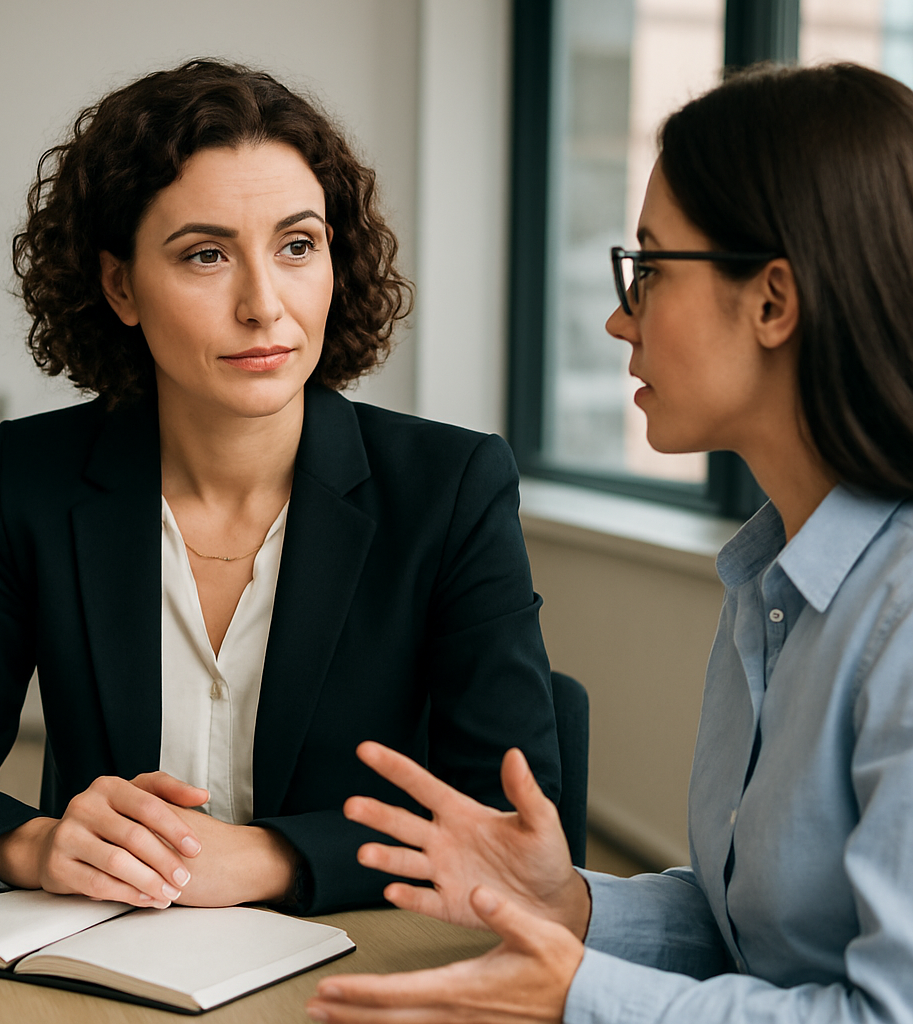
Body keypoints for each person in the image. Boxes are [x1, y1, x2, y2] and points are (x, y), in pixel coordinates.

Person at [306, 62, 913, 1022]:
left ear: (773, 301)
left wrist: (578, 995)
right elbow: (755, 940)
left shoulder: (901, 620)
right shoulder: (773, 581)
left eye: (651, 269)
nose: (618, 318)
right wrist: (572, 906)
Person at [0, 60, 562, 917]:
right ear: (121, 286)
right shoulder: (32, 475)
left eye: (297, 246)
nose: (264, 305)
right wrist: (35, 844)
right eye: (206, 255)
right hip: (108, 957)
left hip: (365, 952)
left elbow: (512, 829)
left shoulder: (451, 488)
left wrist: (273, 858)